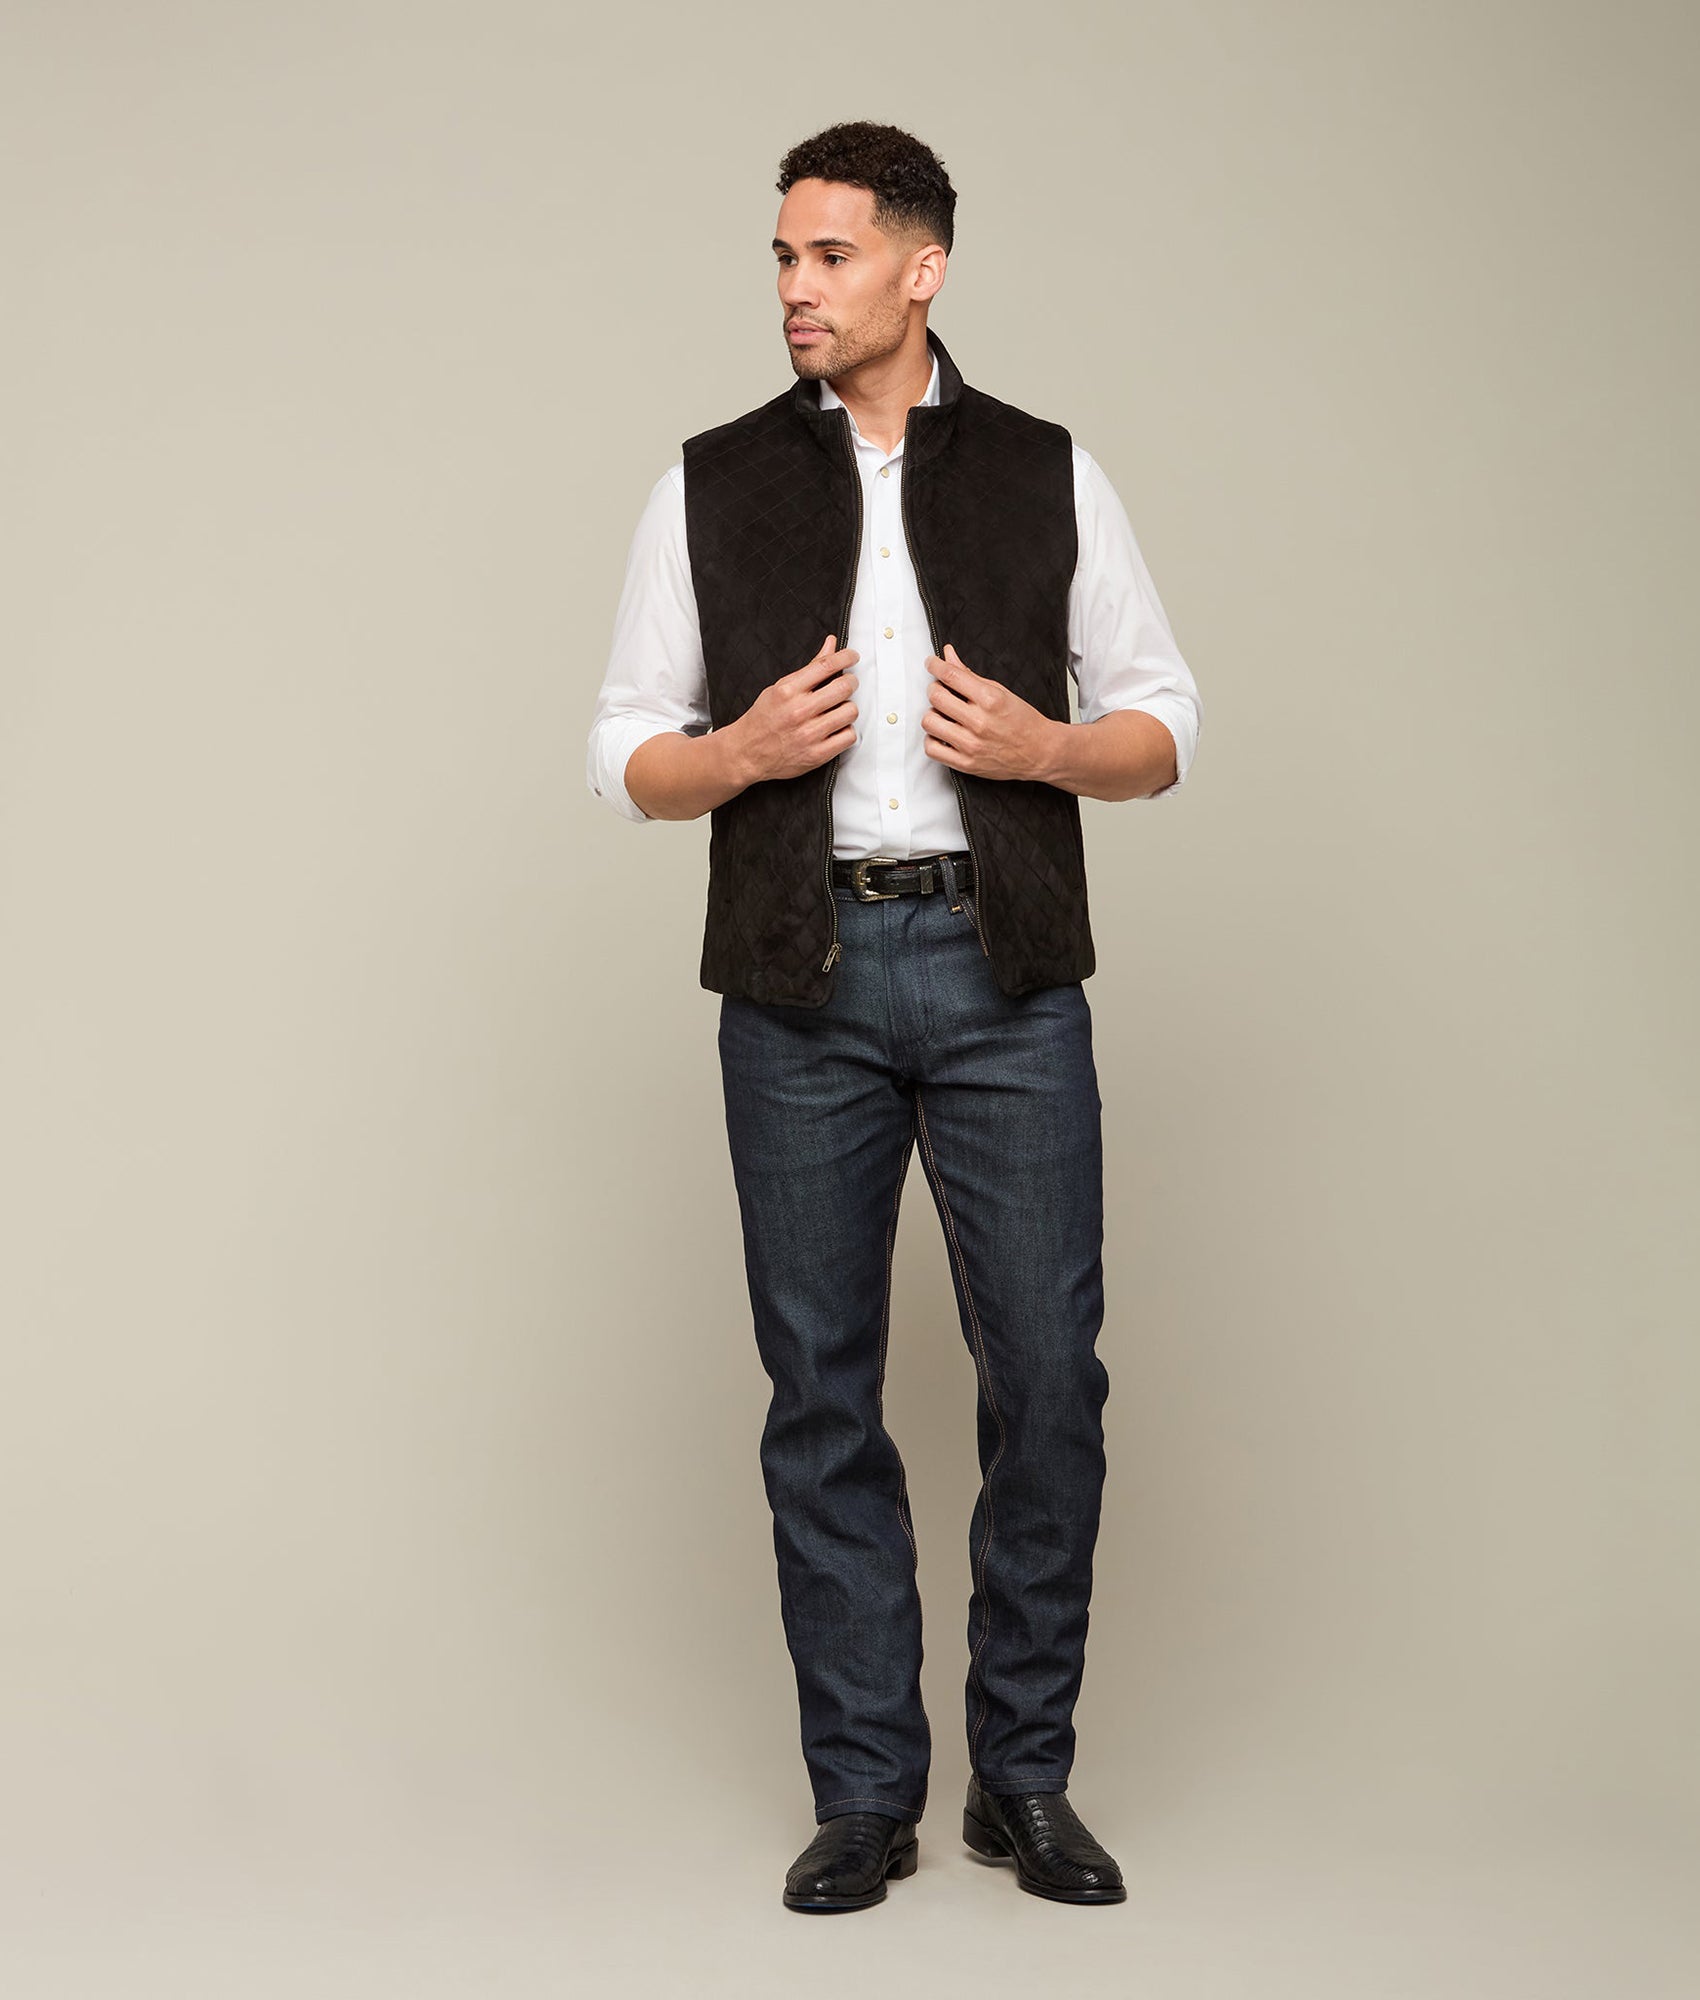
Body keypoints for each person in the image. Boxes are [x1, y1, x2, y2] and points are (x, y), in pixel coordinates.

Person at [586, 120, 1202, 1913]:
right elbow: (622, 749)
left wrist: (1049, 747)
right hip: (801, 982)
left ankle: (1024, 1777)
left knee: (1050, 1381)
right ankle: (865, 1794)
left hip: (1006, 976)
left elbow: (1164, 725)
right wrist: (733, 754)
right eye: (783, 256)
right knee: (822, 1396)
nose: (796, 287)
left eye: (831, 255)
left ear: (922, 271)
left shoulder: (1046, 470)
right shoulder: (705, 483)